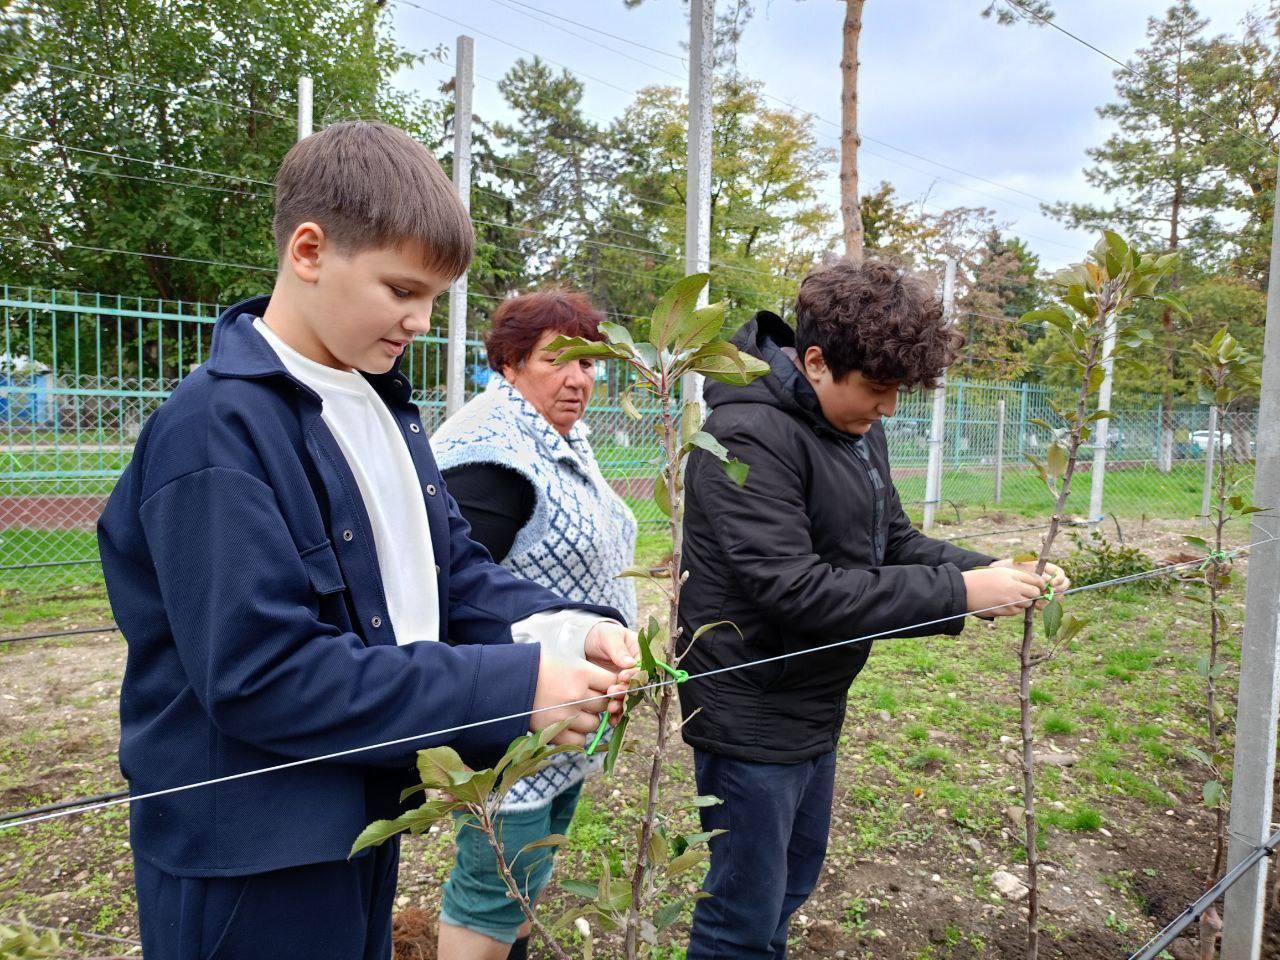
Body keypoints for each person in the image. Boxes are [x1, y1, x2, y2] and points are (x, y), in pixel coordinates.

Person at [96, 121, 639, 960]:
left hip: (354, 819)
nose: (421, 321)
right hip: (253, 861)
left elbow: (454, 571)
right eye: (401, 290)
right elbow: (260, 673)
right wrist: (513, 686)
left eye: (434, 298)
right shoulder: (213, 432)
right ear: (309, 251)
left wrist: (571, 630)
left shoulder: (377, 404)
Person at [675, 258, 1069, 959]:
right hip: (749, 709)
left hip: (813, 702)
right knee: (741, 916)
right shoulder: (745, 437)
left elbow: (893, 540)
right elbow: (796, 589)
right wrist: (959, 595)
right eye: (880, 390)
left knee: (786, 890)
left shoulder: (854, 427)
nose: (889, 409)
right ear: (817, 361)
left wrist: (990, 573)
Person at [431, 289, 638, 960]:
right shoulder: (493, 454)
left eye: (589, 362)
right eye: (558, 360)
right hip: (517, 713)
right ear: (512, 362)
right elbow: (453, 597)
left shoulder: (556, 433)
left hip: (566, 711)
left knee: (525, 882)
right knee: (489, 890)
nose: (579, 379)